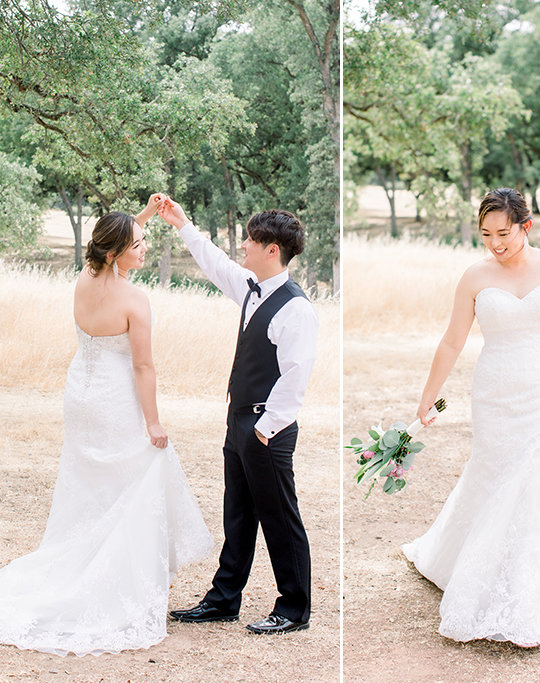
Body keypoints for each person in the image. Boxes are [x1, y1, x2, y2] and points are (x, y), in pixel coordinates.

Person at [0, 196, 213, 656]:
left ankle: (89, 560)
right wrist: (153, 422)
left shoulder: (85, 277)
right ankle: (112, 578)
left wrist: (142, 216)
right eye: (139, 244)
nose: (146, 248)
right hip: (116, 398)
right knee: (132, 480)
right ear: (118, 253)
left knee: (91, 483)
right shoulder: (136, 299)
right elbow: (143, 368)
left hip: (81, 392)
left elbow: (107, 243)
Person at [402, 187, 540, 649]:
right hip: (495, 395)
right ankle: (466, 566)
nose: (495, 243)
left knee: (533, 485)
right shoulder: (474, 276)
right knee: (494, 479)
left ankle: (526, 600)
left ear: (525, 226)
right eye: (486, 234)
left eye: (504, 233)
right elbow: (452, 341)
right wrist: (428, 397)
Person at [159, 199, 318, 635]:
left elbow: (296, 376)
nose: (243, 245)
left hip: (268, 428)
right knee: (238, 514)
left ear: (272, 250)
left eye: (251, 239)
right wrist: (183, 224)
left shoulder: (296, 309)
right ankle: (224, 599)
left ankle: (293, 609)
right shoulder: (250, 285)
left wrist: (265, 429)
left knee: (279, 518)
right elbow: (215, 264)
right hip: (238, 421)